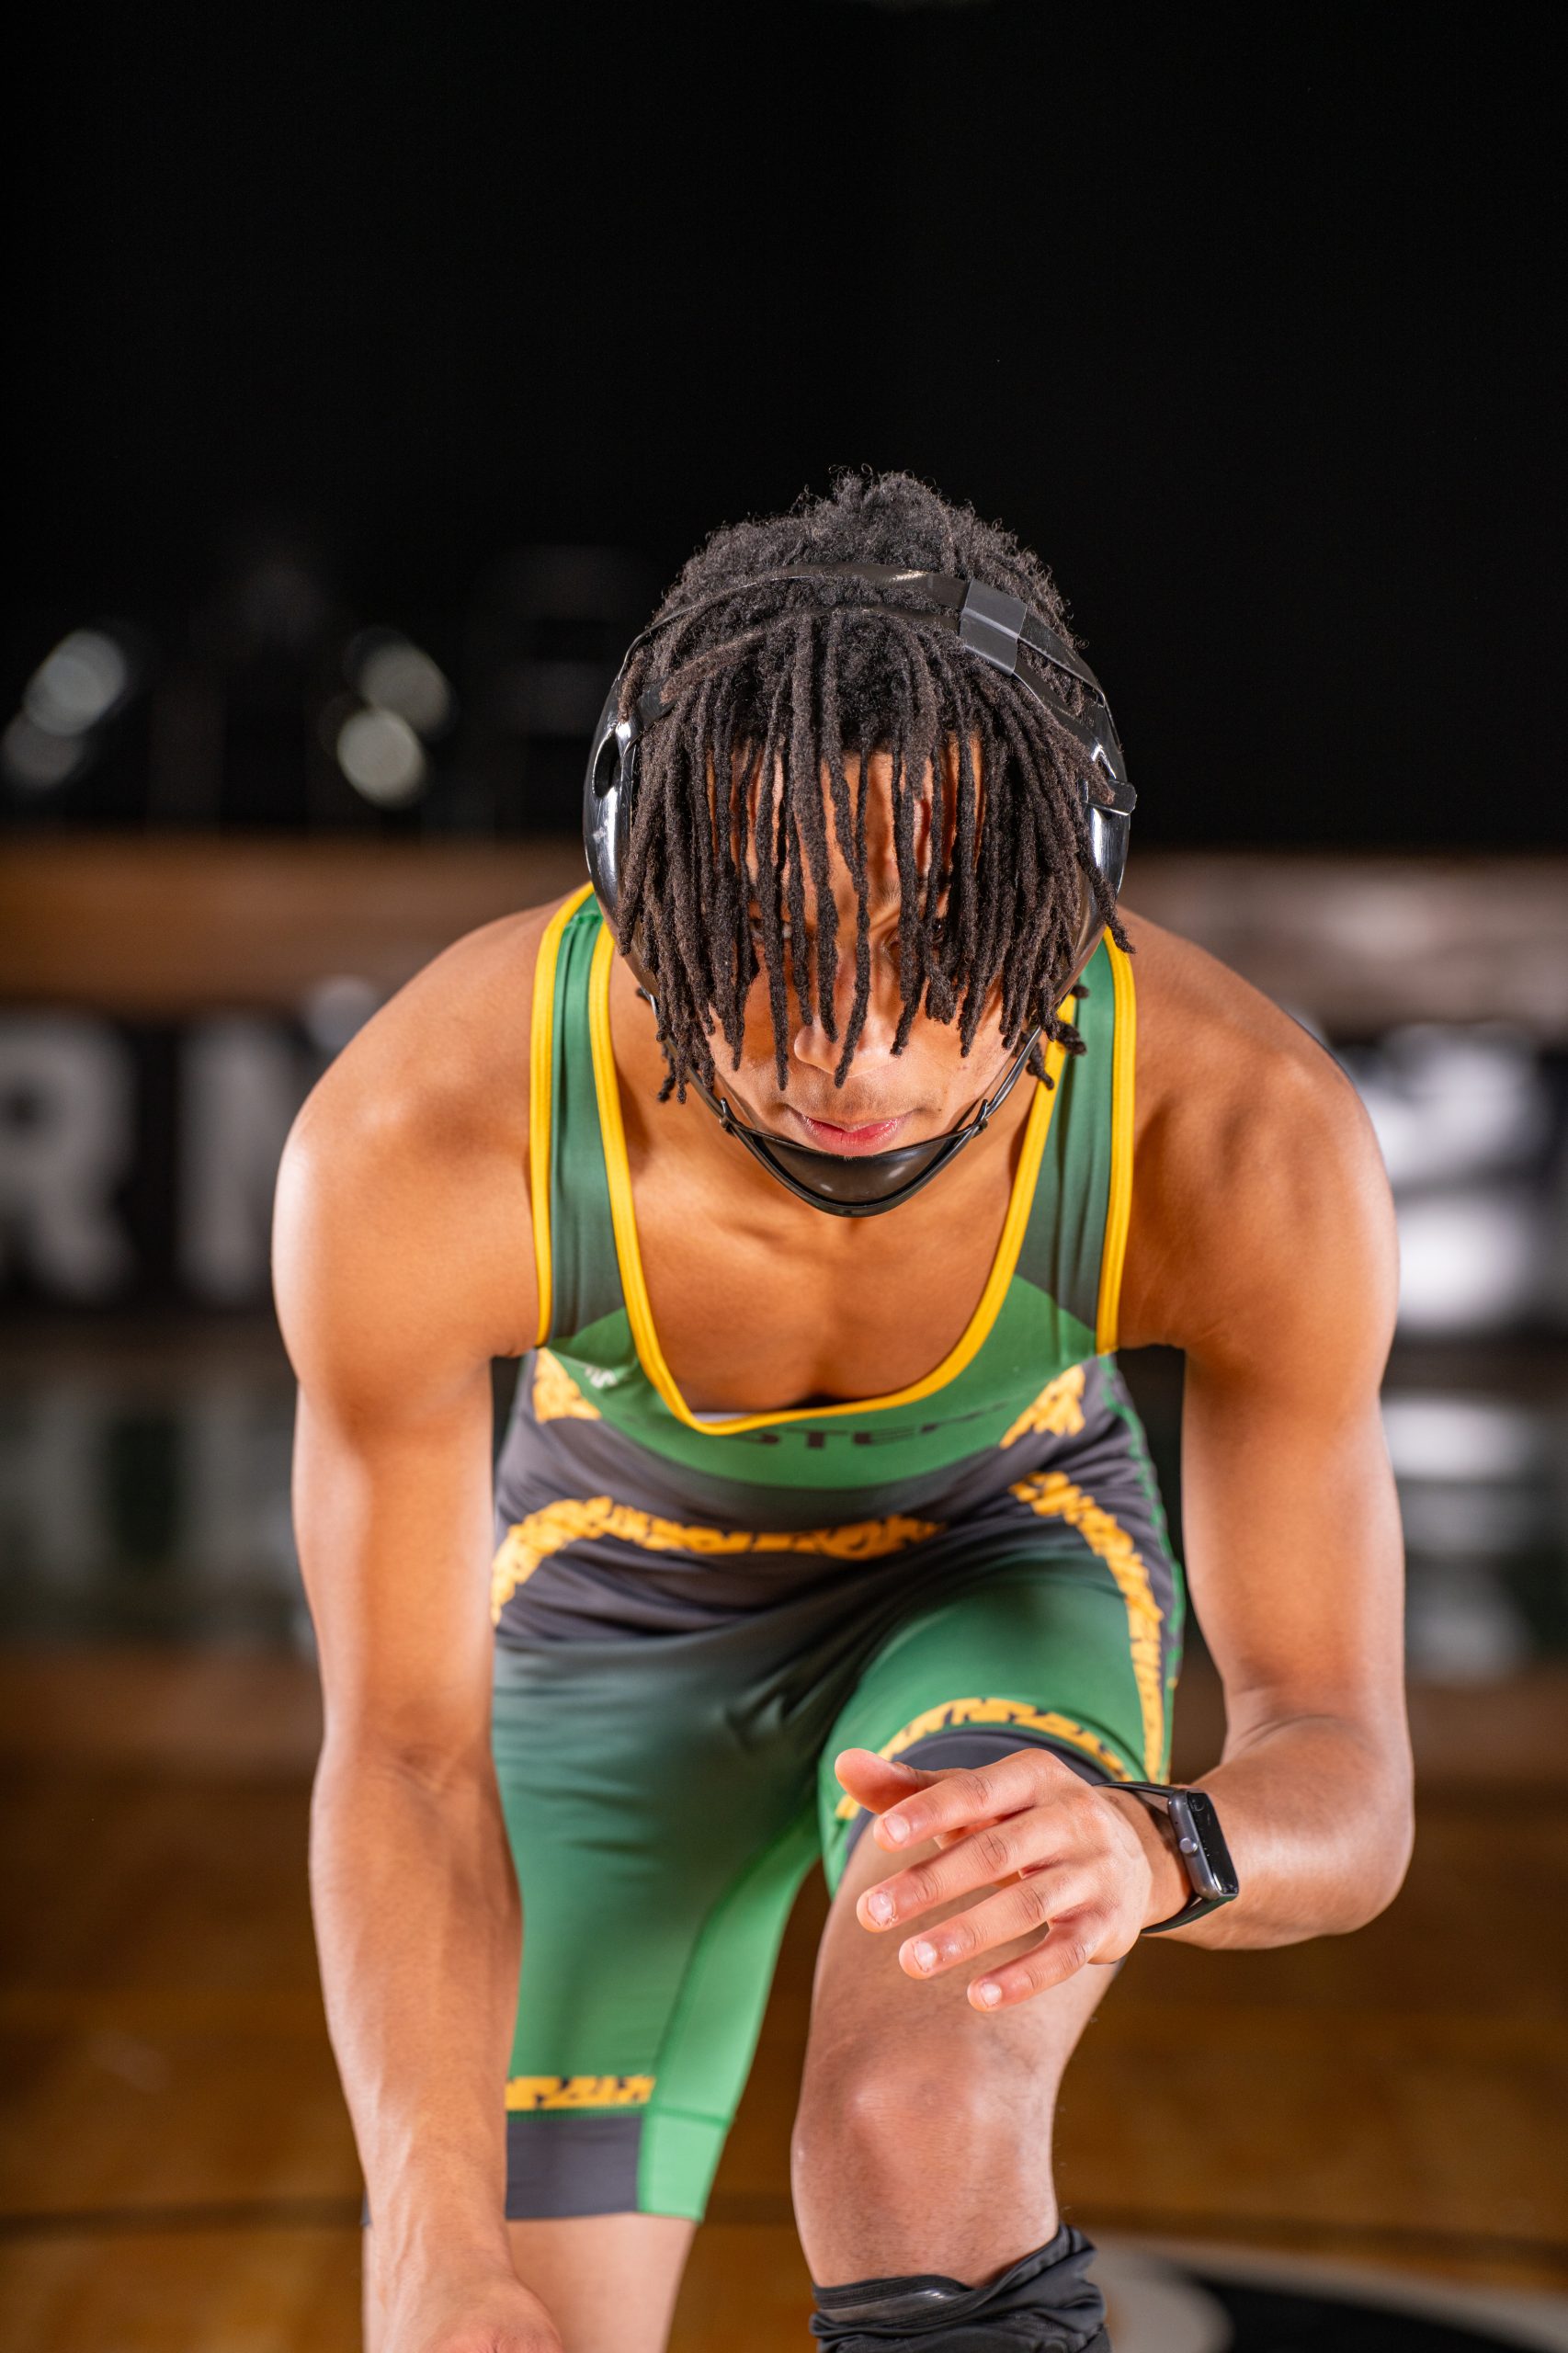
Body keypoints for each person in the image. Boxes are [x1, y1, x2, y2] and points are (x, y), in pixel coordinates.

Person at [273, 472, 1413, 2353]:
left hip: (1003, 1564)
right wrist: (427, 2232)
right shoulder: (426, 1129)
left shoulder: (1236, 1129)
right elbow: (400, 1755)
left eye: (939, 936)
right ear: (643, 884)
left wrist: (1165, 1843)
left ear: (1067, 894)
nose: (852, 1052)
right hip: (608, 1613)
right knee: (494, 2319)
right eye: (770, 937)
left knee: (915, 2122)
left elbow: (1347, 1784)